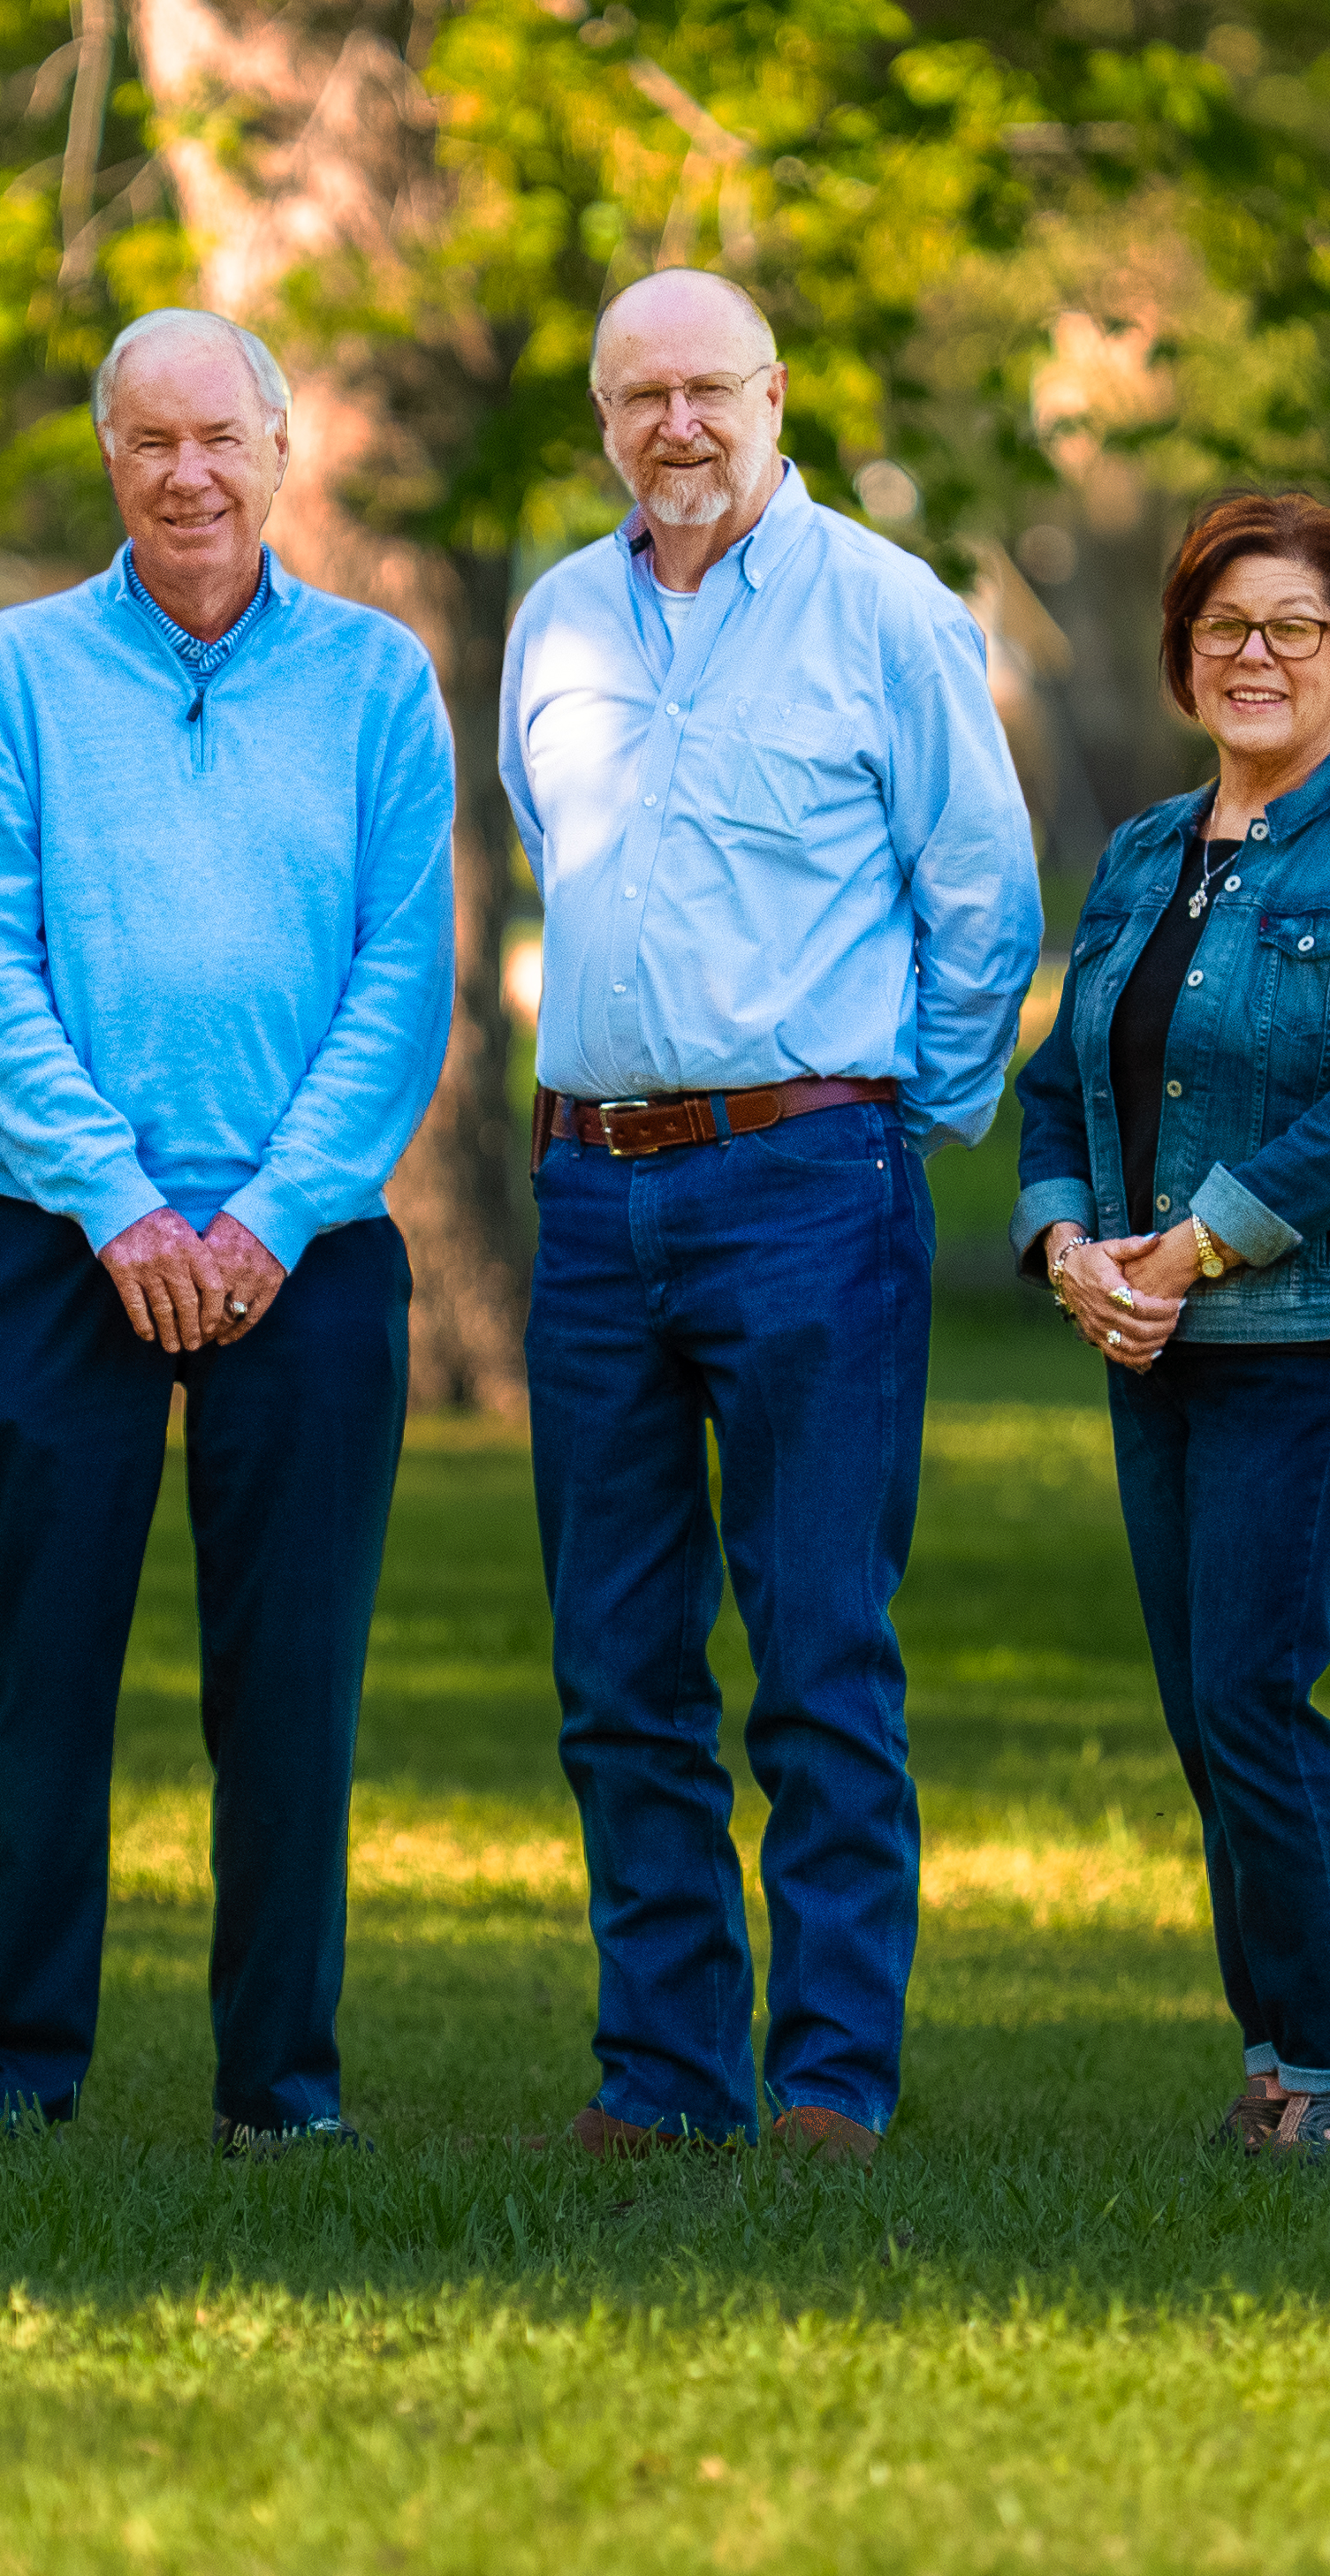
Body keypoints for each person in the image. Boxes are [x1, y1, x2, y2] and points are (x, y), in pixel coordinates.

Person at [498, 268, 1040, 2162]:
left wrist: (899, 1123)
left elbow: (983, 899)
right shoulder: (559, 620)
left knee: (817, 1647)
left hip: (809, 1181)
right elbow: (560, 856)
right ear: (602, 417)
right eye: (638, 394)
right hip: (591, 1190)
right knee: (616, 1662)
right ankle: (661, 2076)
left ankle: (825, 2082)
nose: (678, 425)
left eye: (708, 388)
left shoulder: (886, 611)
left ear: (774, 395)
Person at [0, 308, 455, 2154]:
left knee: (291, 1681)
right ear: (109, 457)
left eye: (221, 436)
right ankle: (17, 2070)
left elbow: (403, 972)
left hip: (308, 1247)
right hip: (49, 1230)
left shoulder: (378, 678)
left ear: (282, 448)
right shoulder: (16, 670)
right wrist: (121, 1202)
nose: (188, 473)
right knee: (36, 1666)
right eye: (150, 440)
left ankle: (279, 2088)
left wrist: (276, 1209)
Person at [1011, 492, 1330, 2163]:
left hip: (1314, 1335)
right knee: (1198, 1710)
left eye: (1296, 626)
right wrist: (1067, 1243)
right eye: (1225, 626)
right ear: (1181, 654)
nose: (1256, 655)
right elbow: (1059, 1087)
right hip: (1150, 1337)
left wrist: (1191, 1244)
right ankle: (1271, 2065)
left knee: (1251, 1694)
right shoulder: (1144, 856)